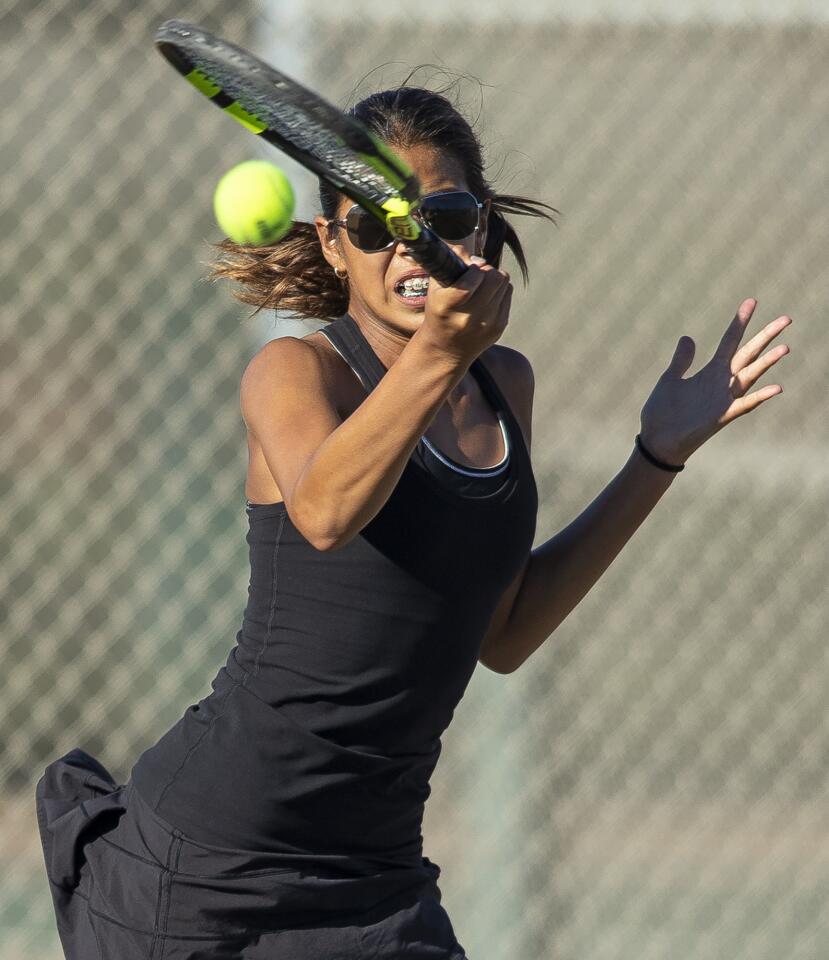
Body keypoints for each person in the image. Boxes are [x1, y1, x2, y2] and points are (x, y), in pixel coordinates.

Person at [35, 83, 790, 960]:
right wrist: (437, 349)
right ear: (333, 244)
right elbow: (324, 512)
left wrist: (655, 456)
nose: (412, 242)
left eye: (443, 213)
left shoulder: (503, 385)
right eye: (374, 223)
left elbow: (502, 634)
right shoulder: (296, 374)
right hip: (212, 865)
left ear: (478, 225)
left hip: (375, 879)